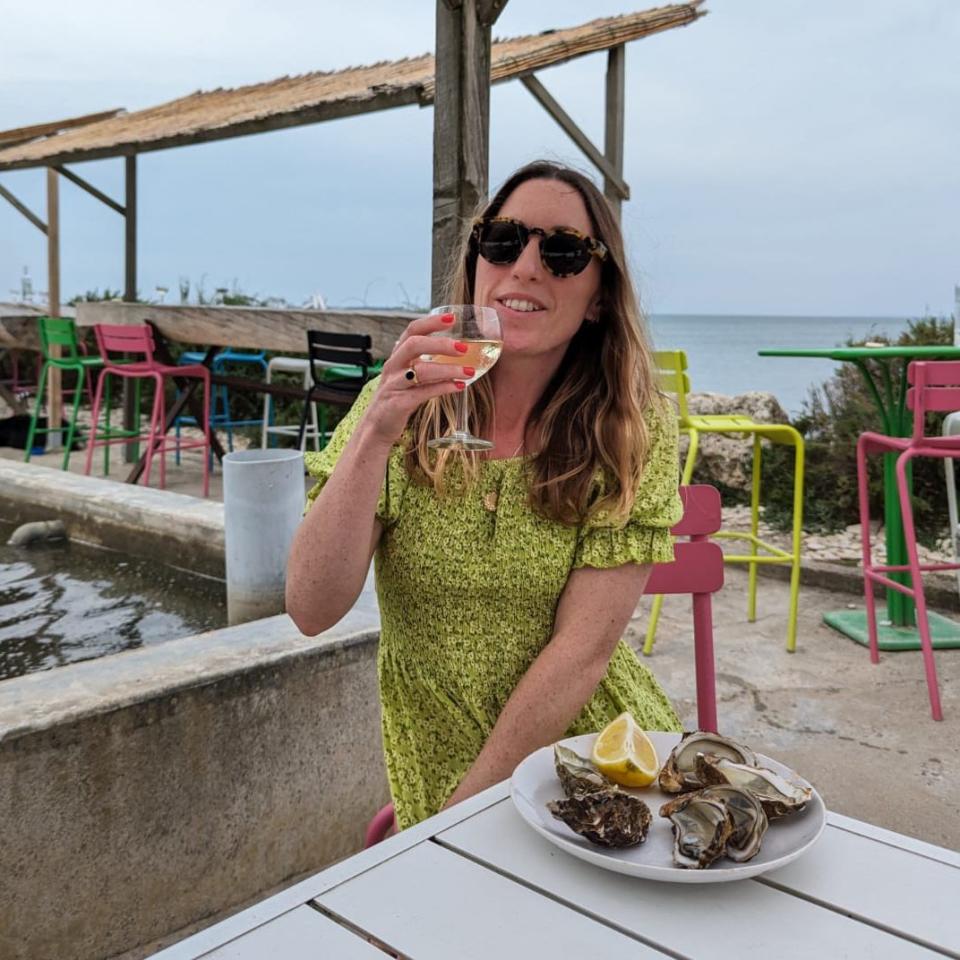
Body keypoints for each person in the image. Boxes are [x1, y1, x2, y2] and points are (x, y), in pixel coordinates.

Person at [286, 160, 683, 831]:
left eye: (562, 252)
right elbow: (310, 607)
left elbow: (582, 652)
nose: (525, 266)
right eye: (502, 241)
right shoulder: (398, 405)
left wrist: (469, 811)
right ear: (475, 265)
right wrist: (377, 430)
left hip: (590, 758)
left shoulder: (632, 431)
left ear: (598, 299)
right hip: (435, 759)